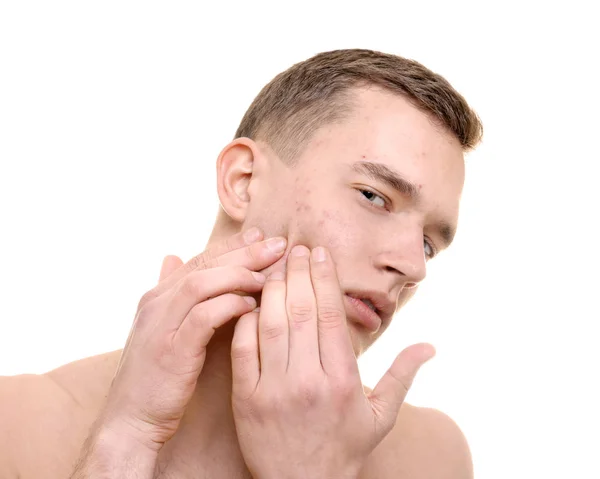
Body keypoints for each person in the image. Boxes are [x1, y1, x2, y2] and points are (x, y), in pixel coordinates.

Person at [0, 48, 482, 478]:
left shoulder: (434, 457)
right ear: (242, 180)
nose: (412, 268)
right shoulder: (16, 426)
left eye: (427, 245)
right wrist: (123, 441)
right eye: (375, 196)